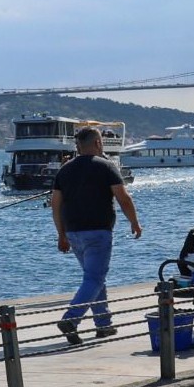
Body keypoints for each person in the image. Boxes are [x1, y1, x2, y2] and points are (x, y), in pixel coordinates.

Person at [50, 125, 142, 345]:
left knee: (94, 277)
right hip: (98, 232)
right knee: (94, 278)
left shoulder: (65, 170)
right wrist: (135, 222)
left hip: (73, 232)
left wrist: (61, 234)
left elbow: (56, 204)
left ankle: (104, 325)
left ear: (78, 146)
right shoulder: (106, 166)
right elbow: (123, 198)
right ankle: (71, 319)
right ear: (98, 143)